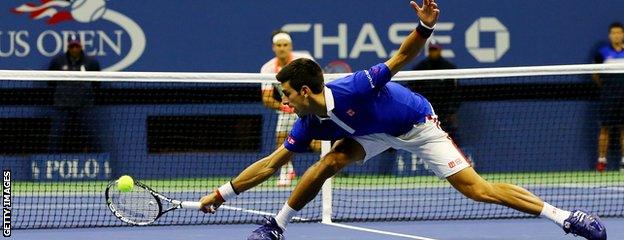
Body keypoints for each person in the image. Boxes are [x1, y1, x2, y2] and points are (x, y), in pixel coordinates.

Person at [200, 1, 607, 240]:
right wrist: (222, 194)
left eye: (286, 94)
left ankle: (566, 217)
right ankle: (276, 226)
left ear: (304, 91)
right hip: (371, 134)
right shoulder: (308, 122)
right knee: (328, 162)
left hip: (415, 124)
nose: (281, 99)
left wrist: (425, 25)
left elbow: (399, 57)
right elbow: (272, 165)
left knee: (476, 190)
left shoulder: (354, 87)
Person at [260, 30, 319, 186]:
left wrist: (309, 104)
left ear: (290, 46)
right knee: (281, 139)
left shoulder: (304, 62)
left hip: (309, 106)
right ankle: (286, 171)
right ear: (273, 47)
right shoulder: (267, 68)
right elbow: (266, 98)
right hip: (288, 107)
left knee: (316, 143)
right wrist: (283, 106)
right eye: (279, 45)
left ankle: (328, 166)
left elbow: (318, 86)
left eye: (285, 45)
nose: (282, 48)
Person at [48, 35, 101, 153]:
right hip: (62, 106)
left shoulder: (91, 63)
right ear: (68, 46)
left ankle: (89, 156)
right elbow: (50, 82)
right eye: (72, 46)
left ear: (81, 46)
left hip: (84, 106)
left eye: (76, 46)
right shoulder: (58, 62)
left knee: (87, 134)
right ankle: (54, 156)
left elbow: (97, 84)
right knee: (58, 135)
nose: (74, 49)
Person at [593, 22, 624, 173]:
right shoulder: (602, 52)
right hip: (608, 97)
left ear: (623, 35)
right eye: (613, 33)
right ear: (609, 35)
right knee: (605, 129)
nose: (616, 35)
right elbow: (595, 73)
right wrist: (607, 87)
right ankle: (601, 161)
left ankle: (623, 162)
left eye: (619, 33)